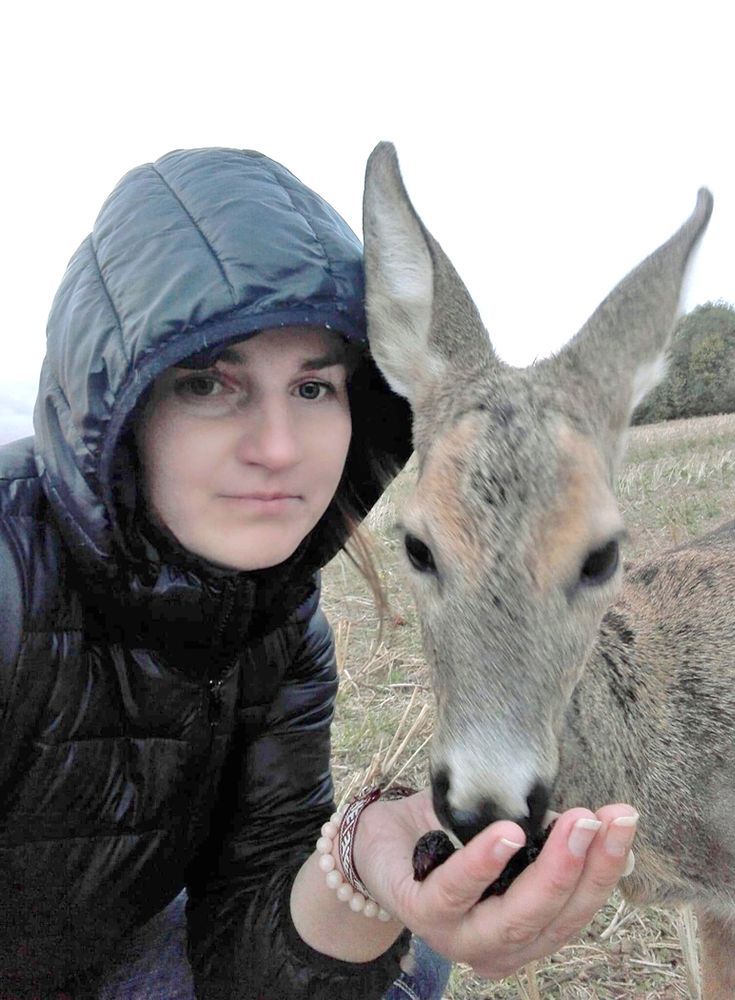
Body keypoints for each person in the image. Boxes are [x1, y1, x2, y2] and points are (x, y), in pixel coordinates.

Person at [0, 147, 638, 999]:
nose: (278, 449)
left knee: (407, 956)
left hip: (114, 940)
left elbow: (246, 944)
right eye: (207, 384)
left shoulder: (282, 625)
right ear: (116, 403)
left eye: (312, 389)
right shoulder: (12, 576)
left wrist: (362, 870)